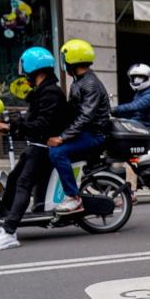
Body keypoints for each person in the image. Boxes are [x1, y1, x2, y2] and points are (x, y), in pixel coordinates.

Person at [0, 47, 71, 251]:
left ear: (32, 67)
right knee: (13, 179)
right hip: (36, 145)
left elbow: (43, 124)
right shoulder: (43, 91)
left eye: (24, 68)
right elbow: (32, 119)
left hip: (44, 148)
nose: (23, 73)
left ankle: (9, 232)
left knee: (23, 184)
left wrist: (12, 126)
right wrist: (11, 125)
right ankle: (1, 218)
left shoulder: (51, 93)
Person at [47, 38, 111, 214]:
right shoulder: (79, 81)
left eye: (64, 59)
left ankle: (73, 198)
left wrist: (62, 138)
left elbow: (85, 117)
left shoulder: (90, 84)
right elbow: (71, 112)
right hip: (84, 133)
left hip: (94, 135)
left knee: (57, 152)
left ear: (72, 60)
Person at [112, 63, 150, 200]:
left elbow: (136, 106)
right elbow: (134, 111)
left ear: (149, 77)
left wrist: (115, 109)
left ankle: (131, 192)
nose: (137, 80)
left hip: (149, 129)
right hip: (140, 128)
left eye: (141, 77)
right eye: (134, 77)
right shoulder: (141, 92)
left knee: (132, 158)